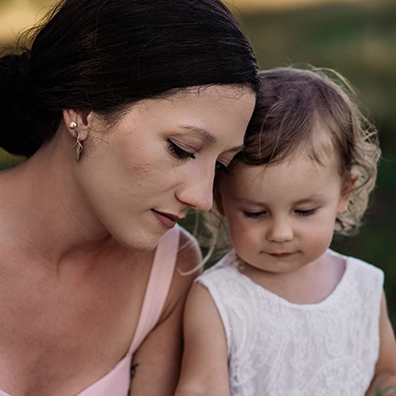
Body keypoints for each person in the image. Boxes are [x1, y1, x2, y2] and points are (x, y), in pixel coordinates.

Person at [0, 0, 259, 395]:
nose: (202, 198)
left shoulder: (172, 271)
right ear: (84, 111)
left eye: (220, 164)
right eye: (182, 148)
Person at [175, 68, 396, 396]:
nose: (280, 233)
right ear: (220, 200)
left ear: (344, 193)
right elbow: (202, 388)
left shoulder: (363, 287)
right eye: (255, 213)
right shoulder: (219, 299)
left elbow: (385, 373)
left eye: (304, 211)